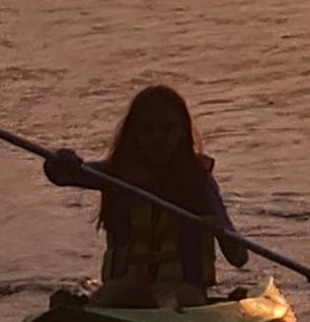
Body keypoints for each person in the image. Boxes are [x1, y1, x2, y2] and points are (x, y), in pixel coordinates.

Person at [44, 85, 248, 308]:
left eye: (167, 128)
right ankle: (87, 311)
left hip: (185, 292)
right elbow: (61, 176)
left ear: (183, 132)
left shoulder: (200, 183)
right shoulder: (115, 176)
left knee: (167, 296)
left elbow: (239, 256)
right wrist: (60, 160)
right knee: (113, 291)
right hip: (129, 287)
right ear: (135, 133)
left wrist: (219, 231)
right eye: (148, 129)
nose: (157, 137)